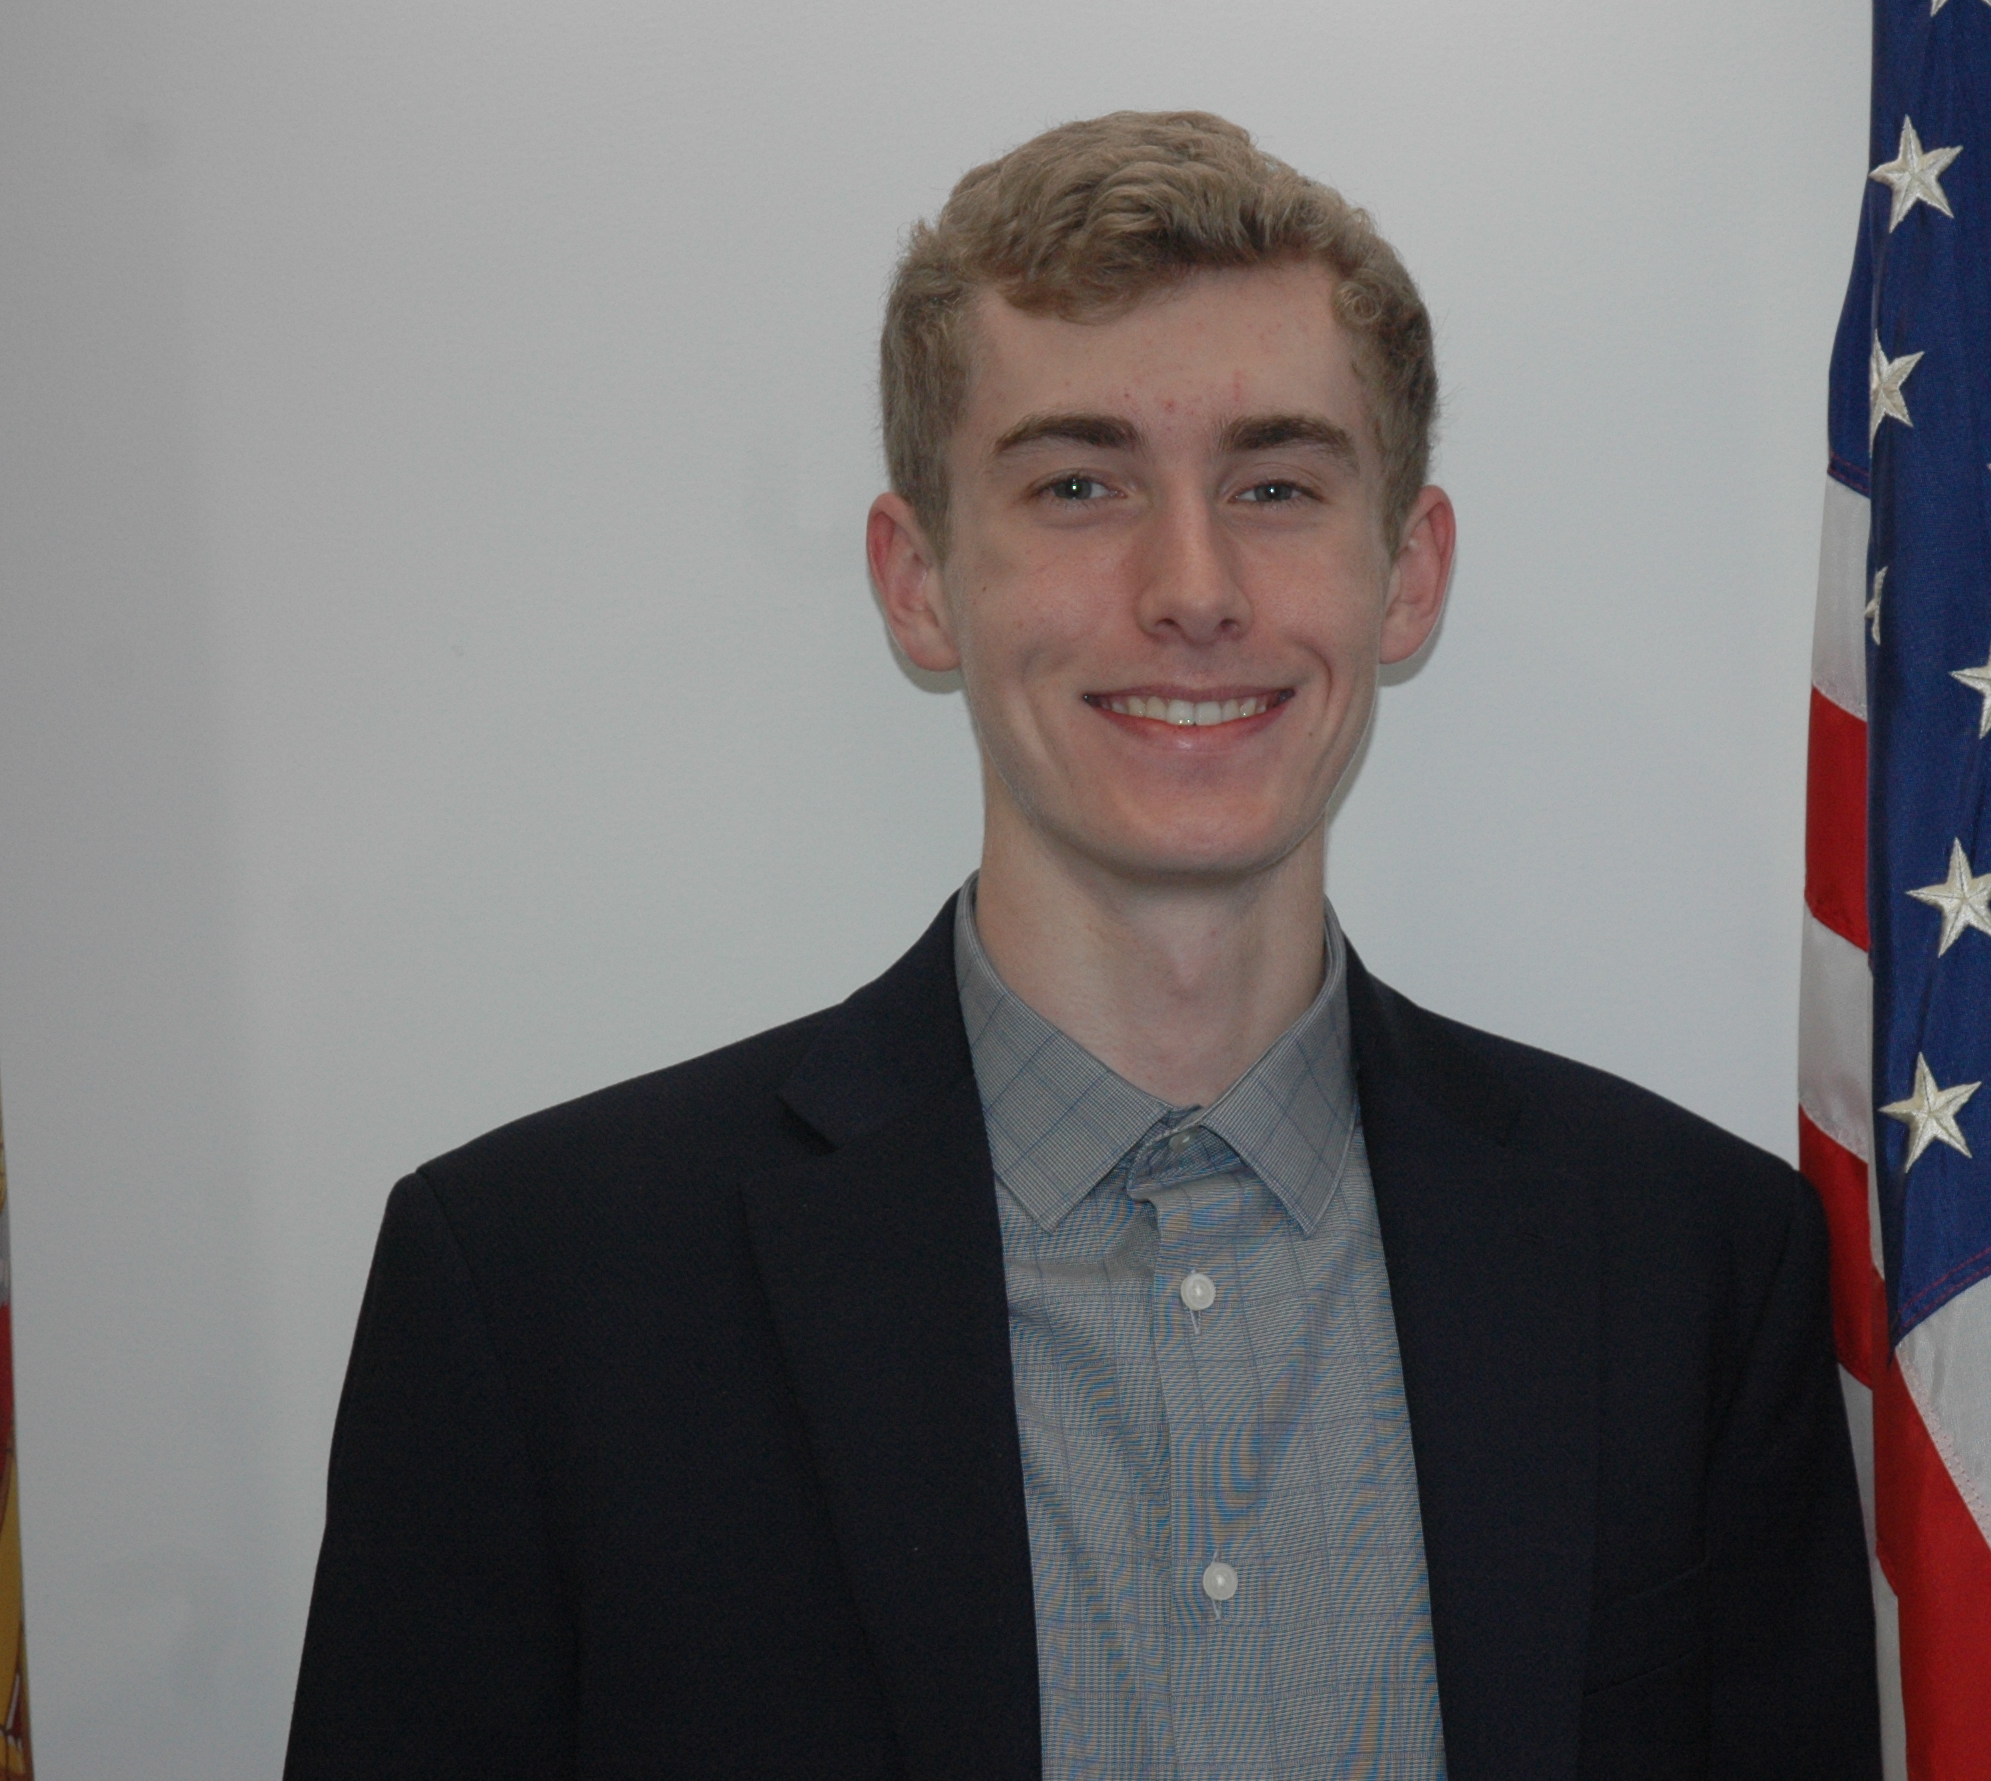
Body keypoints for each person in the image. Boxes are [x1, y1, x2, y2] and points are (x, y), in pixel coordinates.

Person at [283, 111, 1879, 1779]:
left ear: (1406, 577)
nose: (1192, 587)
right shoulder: (543, 1299)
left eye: (1275, 484)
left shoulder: (1693, 1271)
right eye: (1077, 484)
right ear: (920, 584)